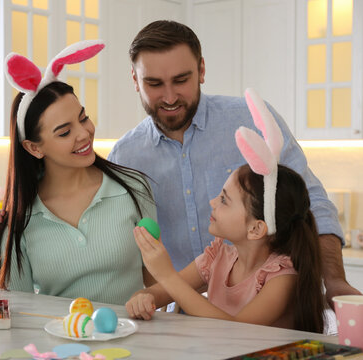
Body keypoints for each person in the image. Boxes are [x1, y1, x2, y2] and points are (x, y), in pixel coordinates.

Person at [106, 20, 360, 307]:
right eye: (154, 83)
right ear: (134, 79)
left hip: (268, 308)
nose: (169, 96)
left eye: (181, 80)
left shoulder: (251, 119)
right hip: (181, 318)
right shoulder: (125, 156)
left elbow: (311, 202)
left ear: (201, 70)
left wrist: (335, 280)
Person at [127, 98, 325, 333]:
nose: (212, 202)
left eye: (223, 200)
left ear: (256, 228)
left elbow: (237, 331)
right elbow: (160, 293)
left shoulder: (282, 277)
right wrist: (144, 296)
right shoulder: (217, 258)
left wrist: (167, 275)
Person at [0, 40, 157, 305]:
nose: (84, 134)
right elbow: (17, 311)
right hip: (60, 345)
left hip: (134, 341)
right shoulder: (20, 219)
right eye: (65, 132)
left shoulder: (134, 188)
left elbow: (157, 282)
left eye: (83, 118)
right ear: (34, 148)